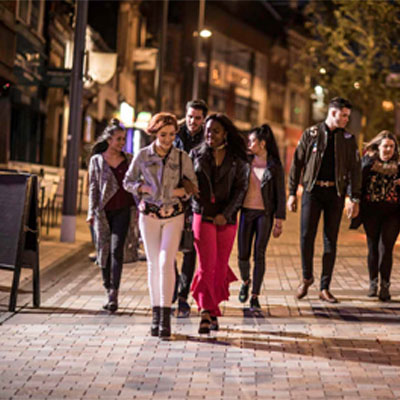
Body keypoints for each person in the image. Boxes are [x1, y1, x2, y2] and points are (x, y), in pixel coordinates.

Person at [123, 113, 198, 338]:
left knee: (167, 261)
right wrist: (141, 189)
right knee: (154, 264)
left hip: (173, 215)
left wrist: (181, 192)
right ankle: (156, 317)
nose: (168, 139)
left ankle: (166, 318)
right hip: (149, 216)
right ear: (154, 132)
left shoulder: (182, 157)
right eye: (163, 134)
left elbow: (193, 185)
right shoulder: (143, 156)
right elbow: (128, 181)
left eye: (172, 134)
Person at [287, 97, 361, 303]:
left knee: (331, 239)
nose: (347, 119)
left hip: (335, 194)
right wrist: (292, 192)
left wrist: (353, 197)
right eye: (344, 115)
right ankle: (306, 277)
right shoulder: (311, 134)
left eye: (348, 115)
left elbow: (355, 170)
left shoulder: (348, 139)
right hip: (312, 191)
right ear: (333, 112)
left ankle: (324, 287)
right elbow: (297, 163)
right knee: (306, 236)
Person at [190, 113, 248, 334]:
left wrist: (227, 213)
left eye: (215, 130)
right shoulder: (195, 154)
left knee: (220, 267)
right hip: (202, 215)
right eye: (207, 130)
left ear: (225, 133)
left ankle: (213, 310)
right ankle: (206, 311)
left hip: (227, 218)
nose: (209, 134)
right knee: (206, 266)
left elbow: (240, 189)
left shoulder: (237, 159)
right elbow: (189, 182)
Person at [87, 118, 137, 312]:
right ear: (109, 140)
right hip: (102, 212)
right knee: (103, 250)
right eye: (118, 139)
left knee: (117, 250)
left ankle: (113, 293)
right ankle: (107, 284)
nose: (121, 143)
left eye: (123, 139)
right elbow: (92, 187)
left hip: (124, 210)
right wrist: (91, 211)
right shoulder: (97, 160)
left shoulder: (129, 159)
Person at [237, 124, 286, 311]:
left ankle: (255, 295)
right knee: (242, 254)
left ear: (262, 144)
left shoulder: (274, 165)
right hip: (246, 213)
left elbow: (280, 193)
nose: (249, 144)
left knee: (259, 254)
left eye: (252, 141)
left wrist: (279, 221)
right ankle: (246, 280)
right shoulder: (245, 161)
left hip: (264, 214)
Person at [351, 131, 400, 301]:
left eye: (392, 147)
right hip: (371, 212)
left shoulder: (399, 166)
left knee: (386, 248)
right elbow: (356, 183)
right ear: (378, 147)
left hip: (393, 214)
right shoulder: (368, 163)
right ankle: (373, 282)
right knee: (373, 248)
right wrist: (354, 201)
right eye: (385, 146)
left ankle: (385, 285)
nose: (388, 149)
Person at [174, 99, 208, 318]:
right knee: (167, 248)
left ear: (203, 118)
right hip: (172, 198)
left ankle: (182, 296)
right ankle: (174, 284)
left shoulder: (209, 137)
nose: (192, 121)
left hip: (195, 200)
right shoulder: (174, 134)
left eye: (197, 118)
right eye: (190, 117)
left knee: (189, 249)